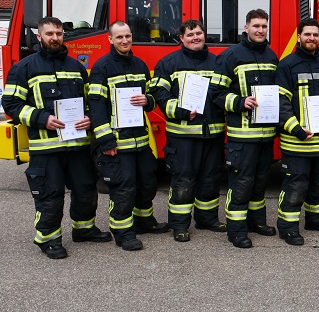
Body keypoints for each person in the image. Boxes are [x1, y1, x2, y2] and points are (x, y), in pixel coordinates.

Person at [2, 16, 110, 259]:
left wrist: (90, 117)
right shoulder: (24, 68)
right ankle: (48, 239)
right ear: (39, 36)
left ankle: (84, 229)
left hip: (77, 145)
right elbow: (11, 104)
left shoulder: (76, 67)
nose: (55, 38)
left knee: (85, 189)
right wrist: (43, 119)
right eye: (49, 34)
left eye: (59, 34)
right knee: (50, 195)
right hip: (46, 148)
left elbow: (91, 101)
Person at [89, 21, 168, 251]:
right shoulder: (101, 67)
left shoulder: (140, 65)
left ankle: (144, 221)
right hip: (117, 142)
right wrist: (106, 141)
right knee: (123, 188)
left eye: (128, 36)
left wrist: (147, 100)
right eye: (119, 37)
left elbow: (151, 97)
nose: (125, 41)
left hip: (140, 141)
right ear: (110, 39)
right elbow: (96, 106)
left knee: (147, 183)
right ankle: (123, 232)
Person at [149, 19, 227, 242]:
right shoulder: (168, 63)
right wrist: (179, 110)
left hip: (212, 134)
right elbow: (159, 95)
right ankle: (179, 224)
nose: (195, 38)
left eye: (198, 33)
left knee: (210, 179)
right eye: (190, 34)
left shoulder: (217, 62)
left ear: (204, 35)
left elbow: (223, 92)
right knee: (183, 181)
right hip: (182, 136)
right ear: (181, 38)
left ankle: (207, 219)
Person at [210, 9, 279, 249]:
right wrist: (241, 102)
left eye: (264, 26)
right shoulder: (230, 56)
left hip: (266, 136)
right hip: (242, 137)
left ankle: (256, 222)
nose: (260, 30)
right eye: (256, 26)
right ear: (246, 28)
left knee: (260, 183)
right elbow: (216, 93)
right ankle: (236, 230)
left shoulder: (271, 56)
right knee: (241, 184)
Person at [275, 18, 319, 246]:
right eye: (307, 34)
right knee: (296, 186)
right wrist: (296, 129)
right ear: (299, 36)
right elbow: (281, 103)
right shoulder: (287, 65)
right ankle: (287, 227)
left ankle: (316, 219)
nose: (311, 38)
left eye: (315, 34)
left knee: (318, 184)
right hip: (297, 142)